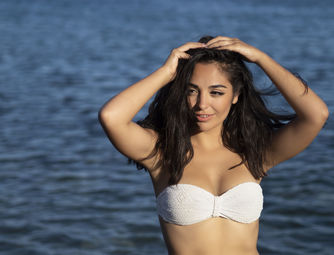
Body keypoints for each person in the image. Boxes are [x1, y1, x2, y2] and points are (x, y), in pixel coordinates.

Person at [98, 35, 329, 255]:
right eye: (191, 91)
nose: (202, 104)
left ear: (236, 95)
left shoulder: (255, 152)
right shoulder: (161, 152)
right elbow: (111, 117)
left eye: (216, 92)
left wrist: (261, 58)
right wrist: (165, 72)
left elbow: (316, 114)